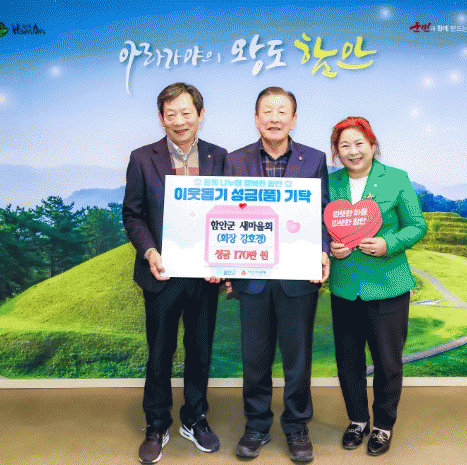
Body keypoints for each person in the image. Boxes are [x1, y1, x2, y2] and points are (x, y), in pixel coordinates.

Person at [122, 82, 228, 464]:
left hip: (204, 275)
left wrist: (221, 261)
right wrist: (150, 251)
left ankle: (195, 418)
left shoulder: (219, 157)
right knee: (160, 351)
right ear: (161, 118)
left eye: (186, 113)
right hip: (162, 273)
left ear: (200, 115)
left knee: (200, 349)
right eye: (171, 114)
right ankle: (156, 423)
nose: (179, 121)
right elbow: (133, 214)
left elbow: (230, 212)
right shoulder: (142, 158)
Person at [226, 86, 330, 463]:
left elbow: (322, 211)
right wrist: (223, 264)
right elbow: (225, 213)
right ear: (256, 119)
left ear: (294, 119)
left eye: (282, 111)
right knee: (255, 358)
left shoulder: (314, 159)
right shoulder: (234, 160)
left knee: (297, 358)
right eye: (266, 111)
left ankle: (297, 426)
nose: (274, 118)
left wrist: (322, 249)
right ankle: (256, 425)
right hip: (251, 275)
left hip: (297, 275)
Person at [327, 116, 427, 456]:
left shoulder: (396, 178)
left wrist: (389, 244)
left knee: (387, 361)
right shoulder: (330, 183)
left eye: (359, 143)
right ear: (337, 152)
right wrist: (330, 246)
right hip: (345, 287)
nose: (353, 151)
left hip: (388, 286)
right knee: (348, 361)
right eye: (344, 146)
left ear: (372, 145)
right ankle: (357, 420)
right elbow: (320, 227)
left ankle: (383, 425)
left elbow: (417, 225)